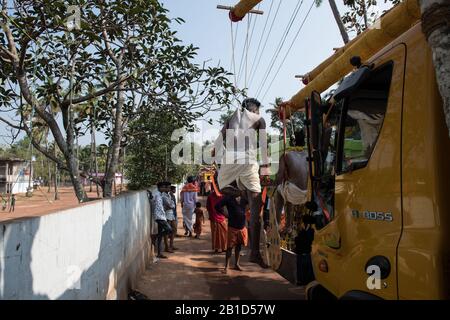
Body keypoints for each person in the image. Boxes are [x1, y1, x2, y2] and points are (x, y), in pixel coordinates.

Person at [214, 98, 270, 267]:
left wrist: (219, 162)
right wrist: (265, 170)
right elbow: (264, 146)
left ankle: (240, 192)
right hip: (247, 162)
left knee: (223, 188)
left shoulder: (230, 119)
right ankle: (254, 253)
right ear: (255, 109)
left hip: (230, 161)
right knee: (256, 207)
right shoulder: (259, 119)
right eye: (258, 110)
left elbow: (218, 140)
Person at [215, 192, 248, 274]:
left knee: (239, 246)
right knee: (229, 247)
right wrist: (225, 214)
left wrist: (246, 211)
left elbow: (251, 203)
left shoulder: (244, 197)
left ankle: (236, 264)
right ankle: (227, 266)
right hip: (232, 226)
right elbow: (217, 206)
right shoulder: (228, 198)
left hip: (242, 226)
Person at [152, 182, 173, 259]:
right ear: (160, 187)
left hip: (162, 215)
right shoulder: (156, 194)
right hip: (159, 216)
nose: (165, 188)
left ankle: (159, 253)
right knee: (169, 230)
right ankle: (155, 236)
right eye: (163, 187)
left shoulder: (160, 194)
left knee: (161, 234)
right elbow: (153, 200)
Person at [295, 215, 316, 286]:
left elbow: (307, 241)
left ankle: (304, 280)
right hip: (303, 252)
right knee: (303, 267)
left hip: (306, 253)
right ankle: (302, 280)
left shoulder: (310, 231)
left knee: (305, 267)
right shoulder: (305, 231)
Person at [206, 188, 227, 253]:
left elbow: (208, 207)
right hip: (221, 217)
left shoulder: (210, 196)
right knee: (223, 233)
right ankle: (223, 248)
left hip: (214, 217)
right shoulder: (223, 196)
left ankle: (216, 248)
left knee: (215, 233)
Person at [162, 182, 178, 253]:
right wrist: (171, 205)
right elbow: (169, 205)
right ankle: (167, 246)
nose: (169, 188)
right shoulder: (164, 196)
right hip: (167, 215)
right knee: (167, 231)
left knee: (174, 229)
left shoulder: (169, 195)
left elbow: (172, 205)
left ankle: (171, 245)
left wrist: (171, 205)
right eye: (168, 187)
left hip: (171, 214)